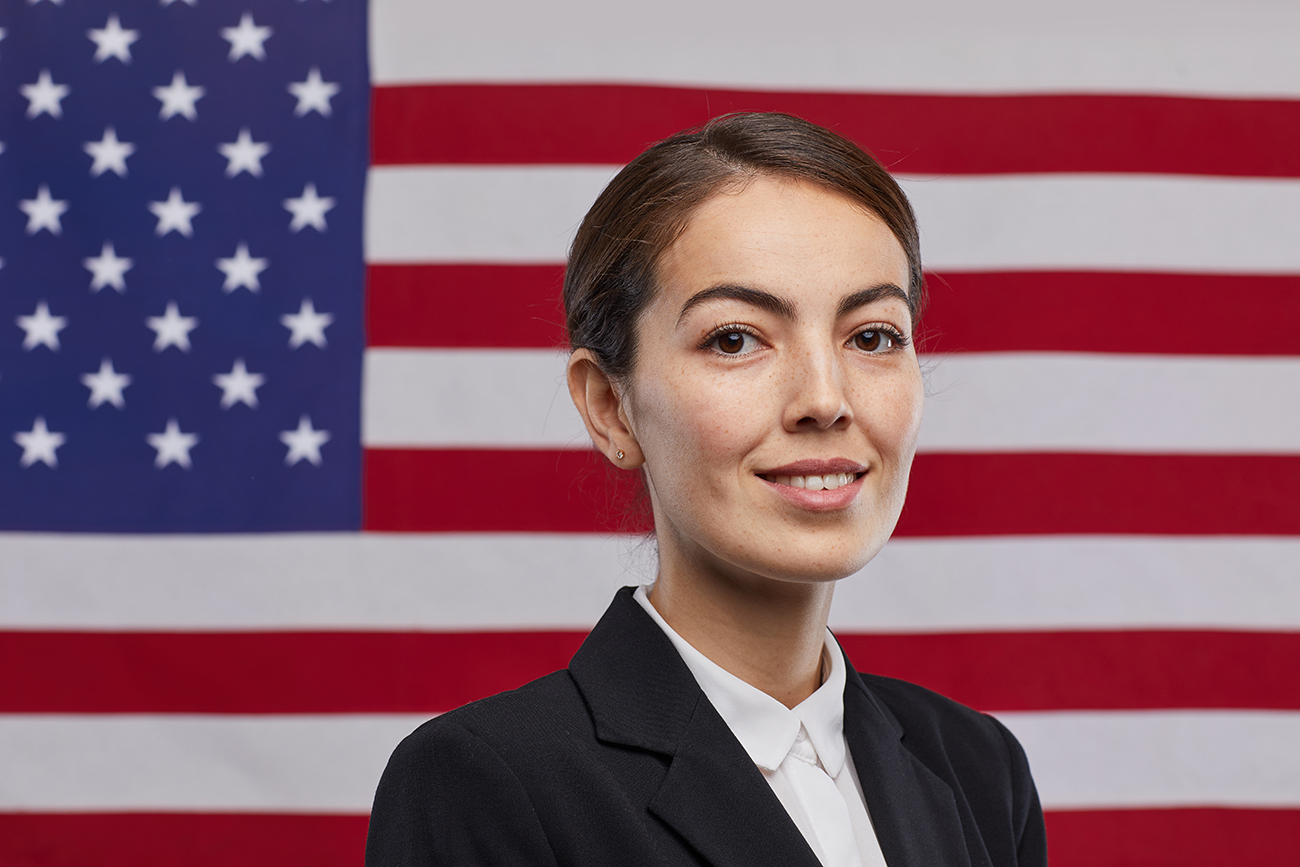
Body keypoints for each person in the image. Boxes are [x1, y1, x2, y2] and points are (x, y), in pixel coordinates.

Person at [366, 112, 1048, 867]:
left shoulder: (979, 769)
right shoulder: (488, 781)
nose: (825, 399)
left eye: (872, 336)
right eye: (735, 338)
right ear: (609, 406)